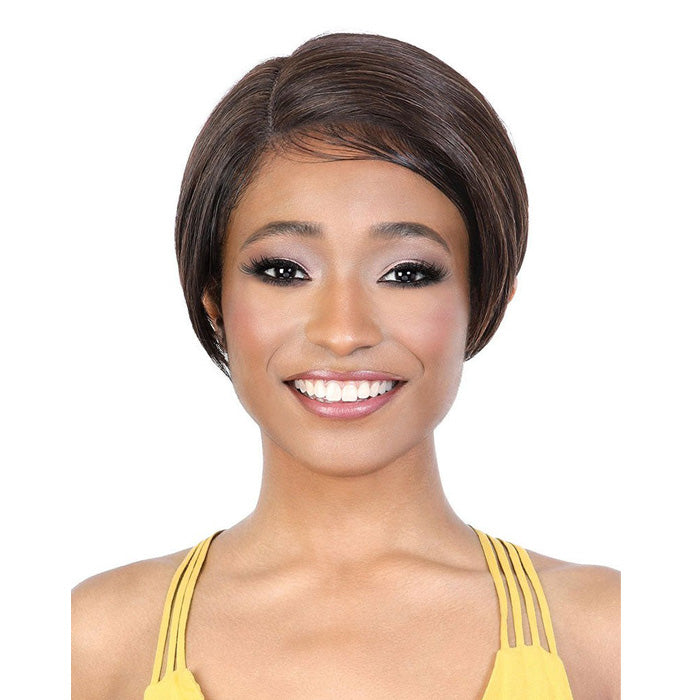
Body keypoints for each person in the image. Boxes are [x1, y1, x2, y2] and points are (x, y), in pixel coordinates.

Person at [71, 32, 620, 699]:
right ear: (214, 298)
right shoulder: (92, 642)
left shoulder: (609, 634)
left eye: (406, 272)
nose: (343, 332)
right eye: (284, 270)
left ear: (483, 299)